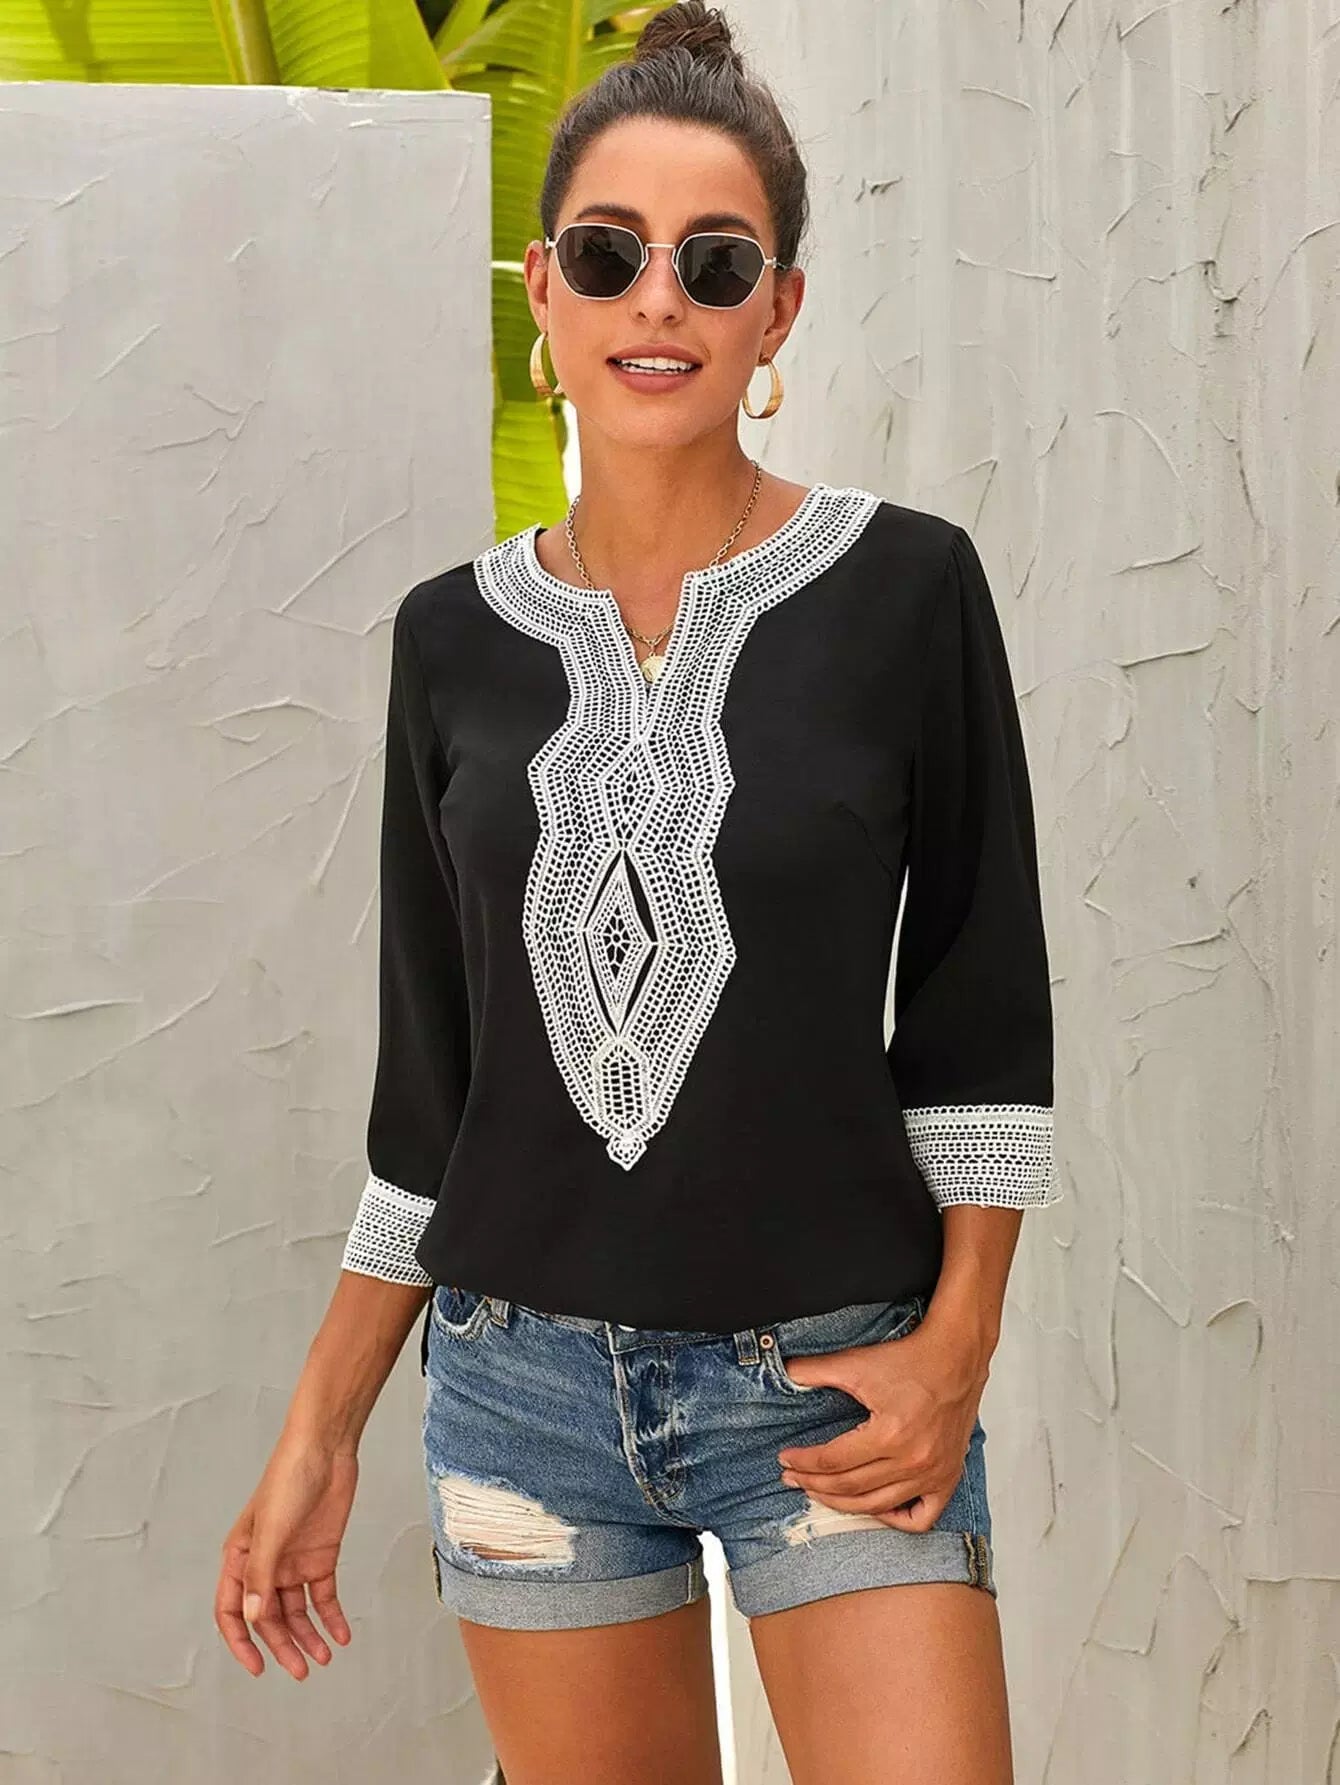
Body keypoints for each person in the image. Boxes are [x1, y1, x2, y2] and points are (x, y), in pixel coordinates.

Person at [215, 5, 1061, 1779]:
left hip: (835, 1383)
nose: (656, 299)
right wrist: (321, 1425)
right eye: (609, 255)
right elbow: (431, 1097)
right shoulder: (450, 640)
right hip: (521, 1394)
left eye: (714, 261)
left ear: (778, 311)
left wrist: (958, 1345)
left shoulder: (908, 591)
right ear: (545, 291)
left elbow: (981, 1016)